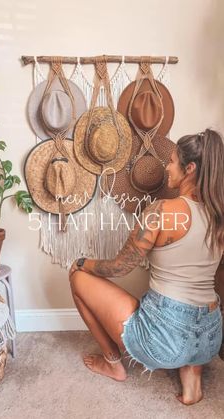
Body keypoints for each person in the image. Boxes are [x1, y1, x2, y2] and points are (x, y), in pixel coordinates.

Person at [69, 128, 224, 406]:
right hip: (211, 338)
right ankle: (192, 382)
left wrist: (83, 262)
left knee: (78, 278)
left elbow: (119, 267)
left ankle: (113, 364)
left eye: (173, 161)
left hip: (164, 339)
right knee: (194, 318)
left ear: (189, 169)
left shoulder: (162, 210)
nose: (167, 167)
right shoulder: (220, 215)